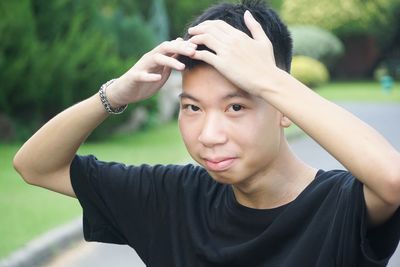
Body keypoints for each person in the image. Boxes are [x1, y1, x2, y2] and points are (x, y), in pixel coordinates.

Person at [13, 0, 400, 266]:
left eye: (236, 106)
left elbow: (392, 180)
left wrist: (269, 80)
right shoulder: (174, 198)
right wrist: (115, 93)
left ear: (283, 107)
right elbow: (36, 166)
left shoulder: (338, 205)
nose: (210, 135)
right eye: (192, 108)